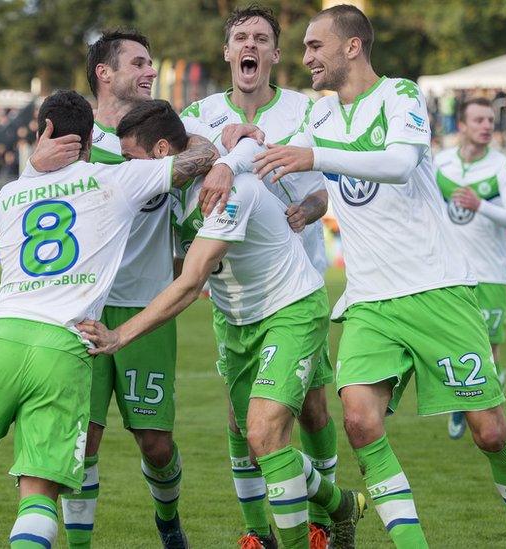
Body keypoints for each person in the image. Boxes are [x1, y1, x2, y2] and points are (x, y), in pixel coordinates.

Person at [240, 5, 506, 547]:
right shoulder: (322, 116)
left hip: (436, 289)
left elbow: (399, 163)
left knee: (491, 433)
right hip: (369, 298)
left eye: (315, 46)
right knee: (358, 422)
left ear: (351, 47)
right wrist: (234, 159)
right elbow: (317, 166)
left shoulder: (400, 96)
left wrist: (317, 157)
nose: (306, 57)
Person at [0, 90, 221, 549]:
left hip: (1, 336)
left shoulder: (7, 197)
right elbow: (198, 159)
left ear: (43, 133)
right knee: (40, 488)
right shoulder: (115, 181)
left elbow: (33, 187)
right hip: (64, 345)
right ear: (90, 141)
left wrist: (32, 164)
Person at [78, 100, 366, 549]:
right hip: (235, 321)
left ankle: (302, 536)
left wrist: (120, 335)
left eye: (131, 159)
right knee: (255, 440)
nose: (125, 169)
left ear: (158, 152)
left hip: (289, 309)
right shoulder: (176, 192)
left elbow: (192, 281)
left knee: (265, 434)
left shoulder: (229, 192)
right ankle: (342, 505)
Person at [26, 30, 204, 549]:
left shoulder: (167, 136)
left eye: (152, 62)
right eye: (139, 63)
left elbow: (202, 163)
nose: (151, 71)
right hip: (82, 304)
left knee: (155, 443)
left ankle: (168, 522)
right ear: (104, 72)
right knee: (83, 440)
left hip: (145, 303)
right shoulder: (74, 145)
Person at [179, 5, 337, 547]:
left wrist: (317, 204)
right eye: (241, 37)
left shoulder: (306, 110)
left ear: (274, 53)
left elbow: (338, 175)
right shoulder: (197, 116)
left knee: (311, 408)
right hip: (235, 292)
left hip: (297, 281)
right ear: (228, 53)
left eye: (262, 38)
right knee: (240, 416)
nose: (250, 45)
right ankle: (256, 533)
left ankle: (322, 522)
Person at [433, 97, 506, 439]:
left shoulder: (502, 167)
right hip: (448, 273)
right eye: (479, 120)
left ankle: (482, 416)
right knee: (454, 346)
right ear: (462, 126)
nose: (487, 126)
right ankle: (464, 405)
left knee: (489, 352)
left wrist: (481, 205)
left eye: (490, 120)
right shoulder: (440, 163)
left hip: (489, 274)